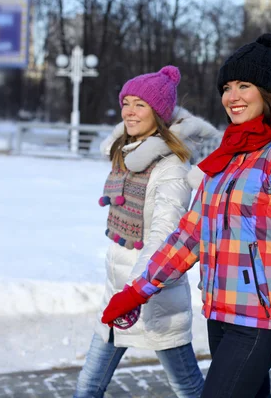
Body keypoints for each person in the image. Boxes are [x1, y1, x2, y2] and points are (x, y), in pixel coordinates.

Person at [101, 34, 271, 397]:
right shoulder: (226, 158)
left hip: (260, 321)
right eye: (226, 87)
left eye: (244, 85)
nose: (232, 97)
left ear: (267, 92)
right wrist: (138, 290)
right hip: (220, 313)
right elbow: (190, 236)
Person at [74, 65, 219, 398]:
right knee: (88, 386)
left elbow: (165, 238)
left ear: (159, 113)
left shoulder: (170, 168)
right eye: (127, 102)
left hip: (155, 300)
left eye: (140, 104)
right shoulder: (125, 157)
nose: (129, 111)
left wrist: (136, 291)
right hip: (117, 295)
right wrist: (121, 294)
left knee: (187, 388)